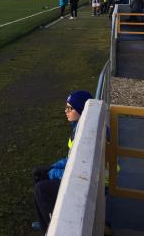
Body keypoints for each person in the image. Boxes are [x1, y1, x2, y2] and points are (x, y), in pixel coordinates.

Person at [31, 90, 93, 233]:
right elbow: (71, 159)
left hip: (87, 182)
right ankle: (47, 218)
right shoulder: (79, 128)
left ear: (80, 109)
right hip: (82, 176)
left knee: (41, 189)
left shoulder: (84, 136)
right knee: (38, 173)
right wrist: (53, 166)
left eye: (69, 108)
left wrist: (53, 172)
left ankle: (51, 228)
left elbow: (78, 170)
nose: (65, 111)